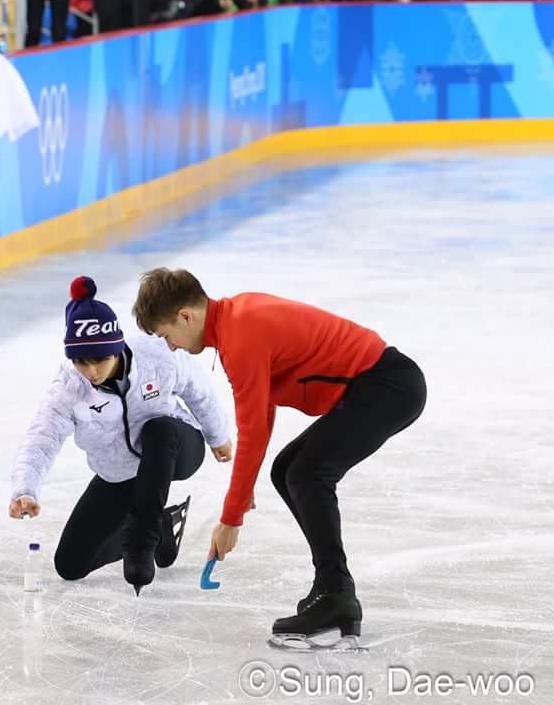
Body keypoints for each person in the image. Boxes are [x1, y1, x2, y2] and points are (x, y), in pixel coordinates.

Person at [132, 268, 426, 645]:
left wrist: (231, 518)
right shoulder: (236, 319)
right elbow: (263, 411)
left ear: (185, 316)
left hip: (387, 385)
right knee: (287, 469)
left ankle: (337, 594)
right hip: (380, 384)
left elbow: (252, 429)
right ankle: (331, 584)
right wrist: (244, 489)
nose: (171, 346)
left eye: (166, 335)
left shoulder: (240, 337)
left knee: (307, 475)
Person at [9, 277, 233, 595]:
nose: (91, 372)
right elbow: (41, 439)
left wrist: (218, 435)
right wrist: (25, 489)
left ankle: (142, 540)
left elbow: (199, 390)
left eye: (99, 360)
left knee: (159, 427)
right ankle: (162, 528)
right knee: (70, 565)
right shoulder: (69, 389)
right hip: (122, 472)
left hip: (177, 449)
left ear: (116, 349)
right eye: (80, 362)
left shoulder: (157, 354)